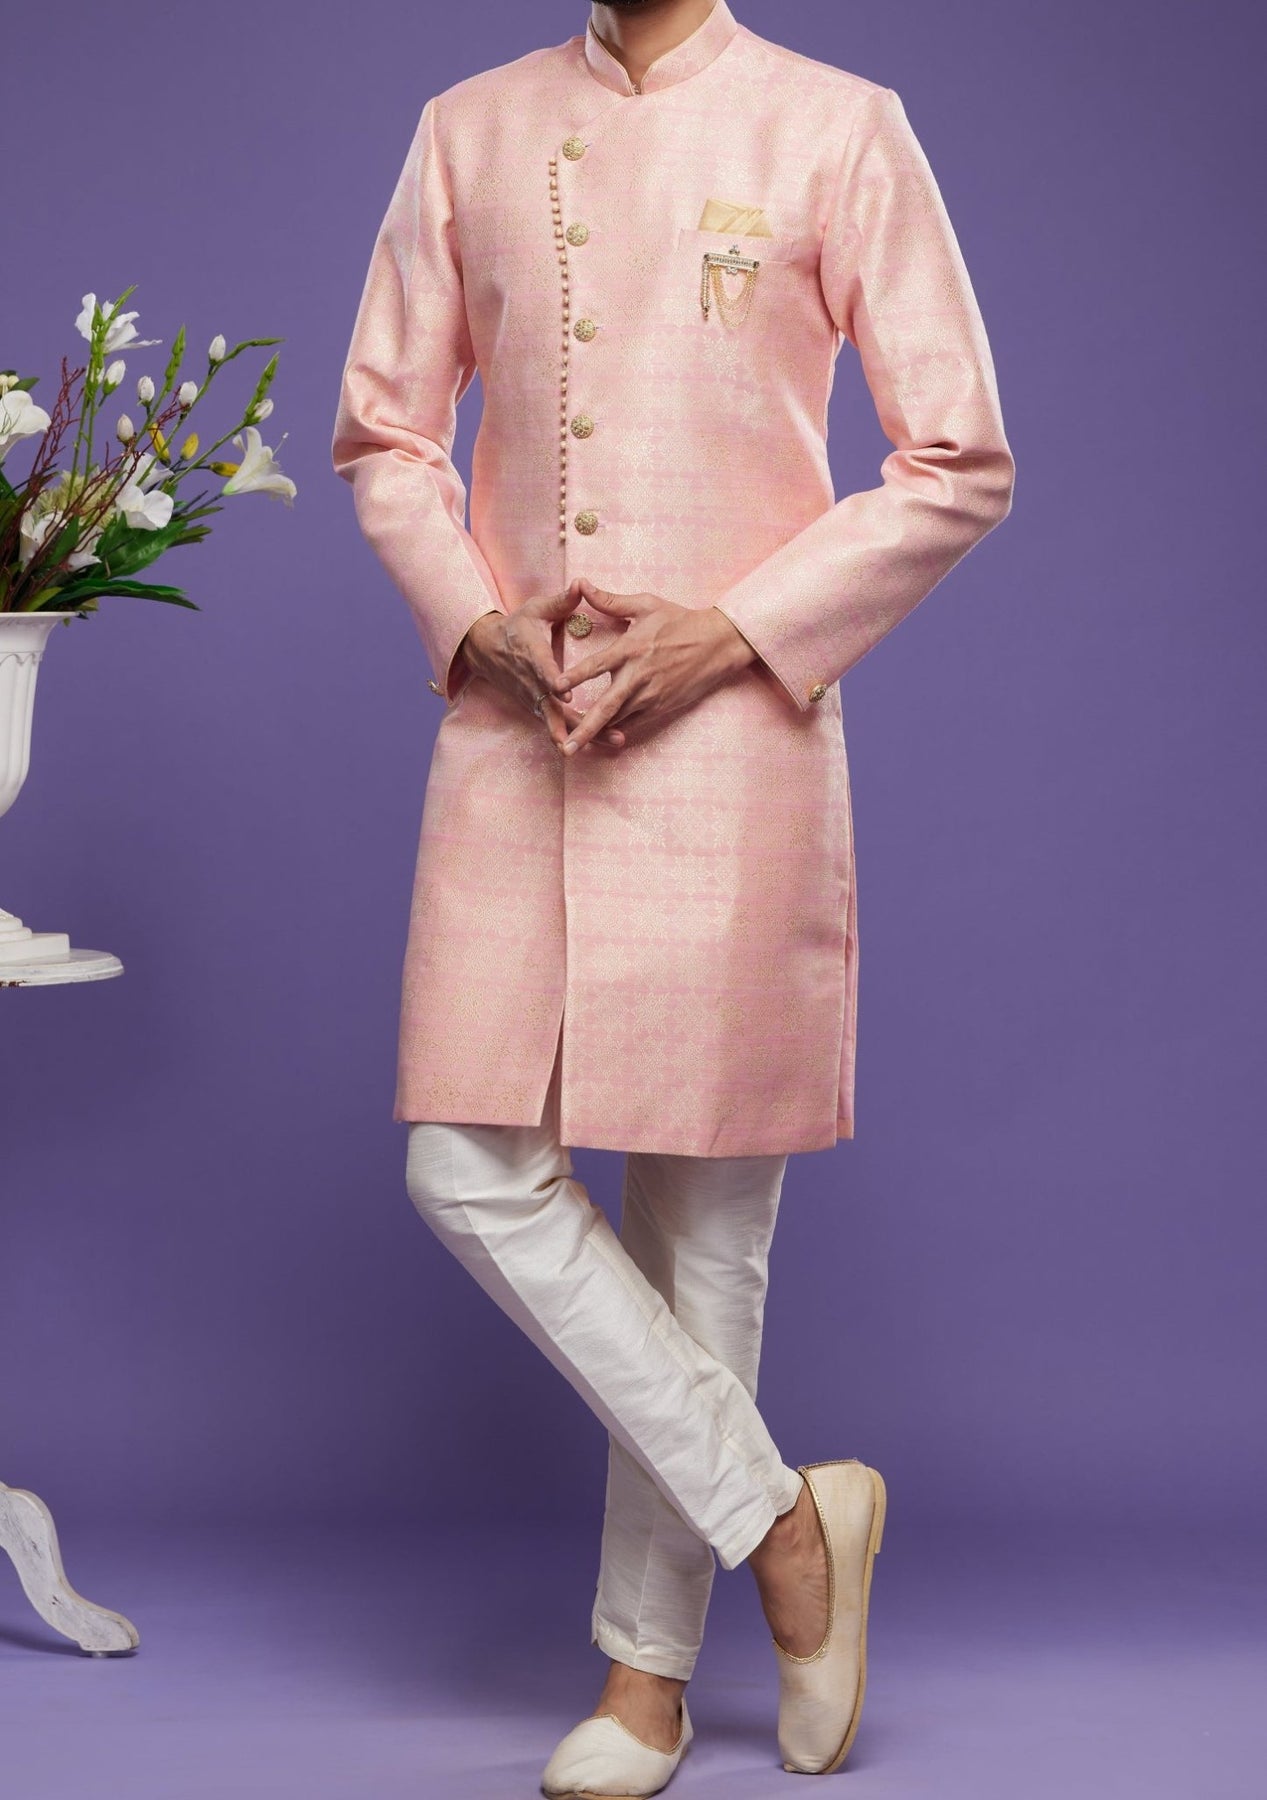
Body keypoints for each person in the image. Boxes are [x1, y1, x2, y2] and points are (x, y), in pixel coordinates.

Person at [331, 0, 1014, 1789]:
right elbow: (385, 433)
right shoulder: (469, 125)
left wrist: (736, 633)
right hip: (517, 725)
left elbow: (959, 457)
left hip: (734, 736)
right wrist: (473, 620)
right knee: (465, 1163)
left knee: (705, 1227)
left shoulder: (838, 126)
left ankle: (645, 1683)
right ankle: (788, 1523)